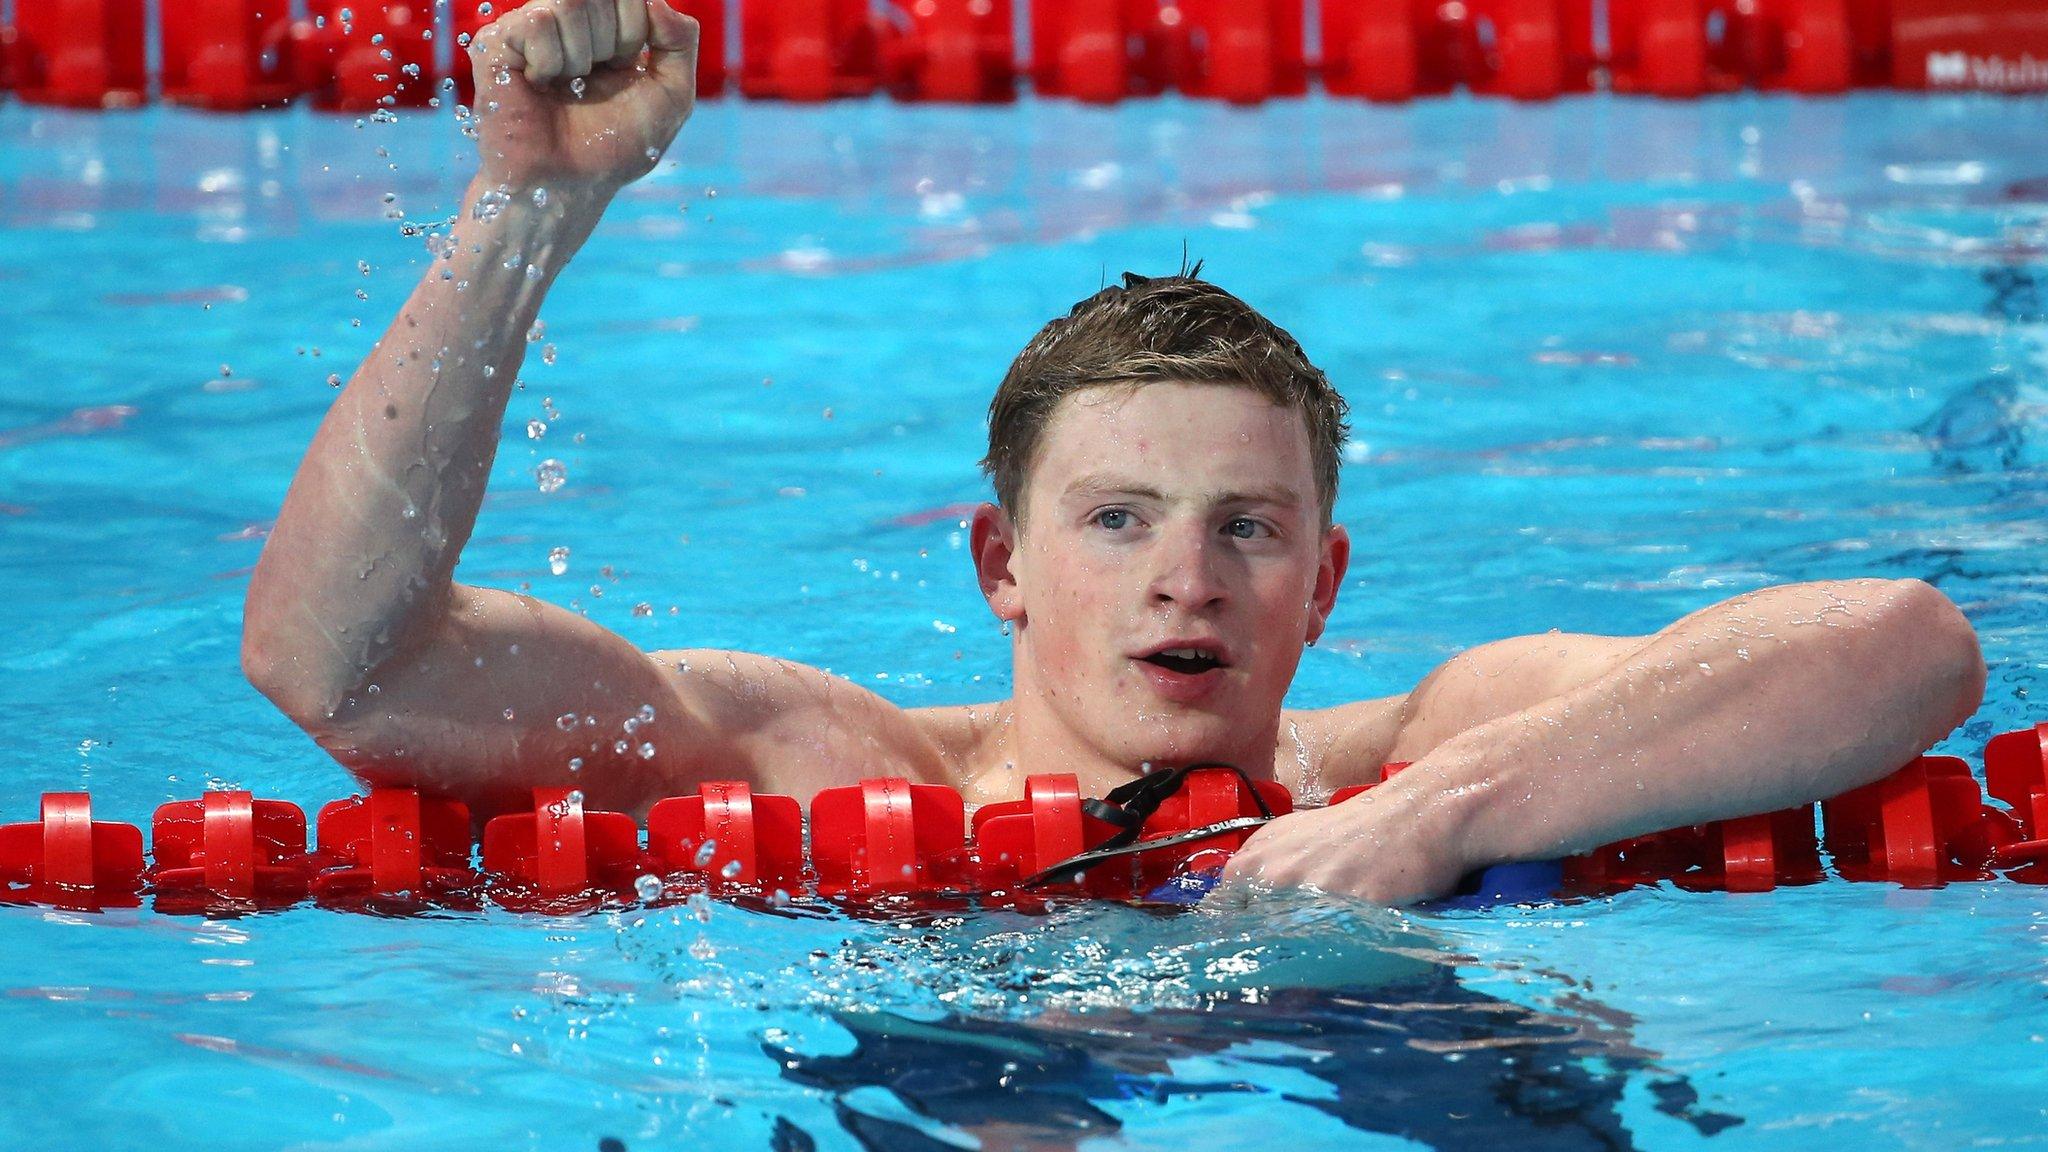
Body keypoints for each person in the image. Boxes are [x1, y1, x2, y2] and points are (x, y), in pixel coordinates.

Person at [240, 0, 1987, 905]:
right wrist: (522, 214)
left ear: (1326, 580)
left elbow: (1907, 645)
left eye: (1249, 527)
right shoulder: (818, 763)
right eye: (1121, 518)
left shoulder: (1429, 749)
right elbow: (346, 671)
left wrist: (1449, 817)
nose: (1185, 575)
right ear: (1001, 566)